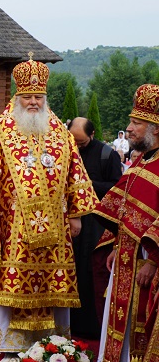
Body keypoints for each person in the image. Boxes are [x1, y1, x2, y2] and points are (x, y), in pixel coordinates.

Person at [0, 55, 96, 352]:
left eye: (39, 96)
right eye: (28, 96)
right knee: (12, 279)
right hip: (13, 228)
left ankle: (51, 343)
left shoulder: (61, 134)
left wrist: (76, 214)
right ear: (17, 97)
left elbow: (76, 174)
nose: (34, 102)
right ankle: (11, 340)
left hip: (56, 230)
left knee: (53, 283)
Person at [91, 85, 159, 362]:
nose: (129, 129)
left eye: (136, 123)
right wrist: (116, 244)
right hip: (127, 261)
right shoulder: (139, 161)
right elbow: (120, 211)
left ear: (154, 128)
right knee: (115, 324)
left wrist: (153, 260)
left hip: (147, 267)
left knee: (138, 331)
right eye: (131, 122)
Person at [67, 117, 122, 337]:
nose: (77, 147)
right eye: (74, 142)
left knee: (90, 272)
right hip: (73, 220)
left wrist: (87, 184)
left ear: (91, 135)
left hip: (96, 224)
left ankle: (91, 328)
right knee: (73, 269)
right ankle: (70, 323)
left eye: (81, 143)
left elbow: (116, 188)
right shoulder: (68, 151)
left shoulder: (107, 155)